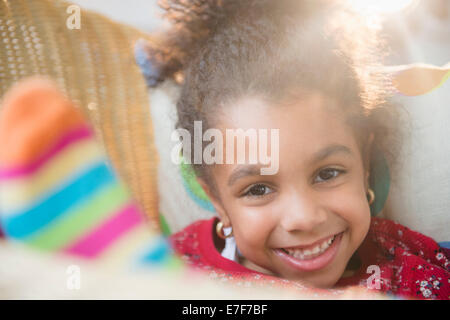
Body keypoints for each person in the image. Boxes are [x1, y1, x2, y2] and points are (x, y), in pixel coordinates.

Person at [145, 0, 449, 299]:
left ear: (365, 165)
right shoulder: (166, 278)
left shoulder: (413, 274)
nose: (303, 218)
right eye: (259, 189)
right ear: (218, 202)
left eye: (327, 173)